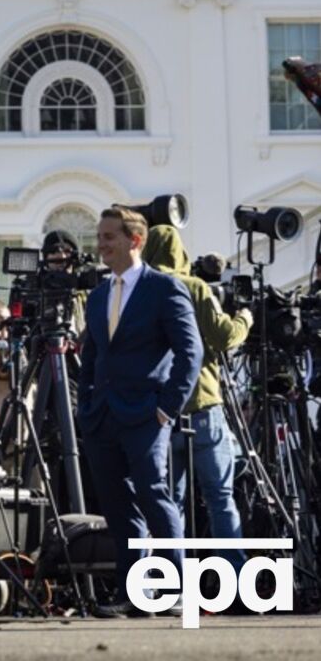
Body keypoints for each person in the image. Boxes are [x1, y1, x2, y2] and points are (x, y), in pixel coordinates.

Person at [79, 207, 202, 617]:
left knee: (154, 497)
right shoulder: (97, 296)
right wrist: (85, 408)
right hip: (102, 418)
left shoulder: (163, 288)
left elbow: (191, 352)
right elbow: (91, 356)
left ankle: (176, 590)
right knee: (117, 506)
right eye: (99, 236)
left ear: (135, 240)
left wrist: (167, 409)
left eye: (109, 237)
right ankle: (136, 596)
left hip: (147, 415)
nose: (101, 244)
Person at [141, 224, 252, 573]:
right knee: (220, 497)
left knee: (168, 502)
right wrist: (245, 317)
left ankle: (168, 581)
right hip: (202, 404)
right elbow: (224, 337)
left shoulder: (139, 291)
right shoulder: (193, 287)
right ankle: (233, 578)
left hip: (158, 411)